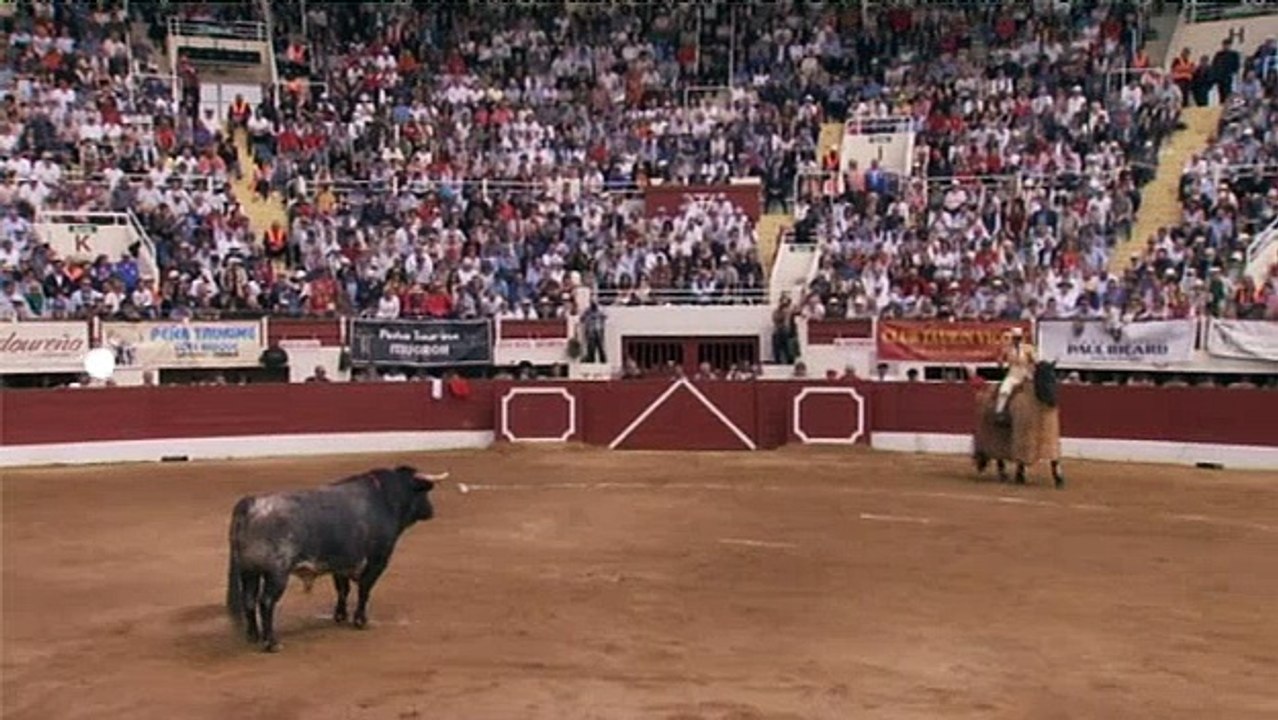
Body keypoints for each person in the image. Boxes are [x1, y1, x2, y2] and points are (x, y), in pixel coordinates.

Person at [994, 327, 1037, 423]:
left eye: (1018, 338)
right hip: (1013, 374)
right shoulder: (1007, 349)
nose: (1017, 340)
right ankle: (999, 411)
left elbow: (1035, 362)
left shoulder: (1028, 348)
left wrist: (1032, 368)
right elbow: (1000, 361)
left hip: (1027, 373)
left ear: (1021, 338)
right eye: (1015, 338)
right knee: (1004, 389)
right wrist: (1000, 361)